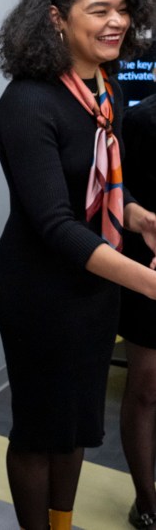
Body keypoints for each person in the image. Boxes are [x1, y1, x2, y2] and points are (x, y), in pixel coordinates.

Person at [0, 0, 156, 530]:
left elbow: (100, 177)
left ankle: (62, 523)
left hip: (92, 286)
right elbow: (55, 222)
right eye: (100, 10)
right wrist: (148, 282)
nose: (117, 22)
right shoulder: (27, 101)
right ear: (57, 19)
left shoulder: (99, 88)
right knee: (40, 430)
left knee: (77, 424)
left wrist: (135, 216)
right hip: (40, 292)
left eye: (124, 10)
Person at [121, 68, 156, 529]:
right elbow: (125, 203)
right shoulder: (143, 121)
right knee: (146, 388)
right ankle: (146, 501)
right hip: (148, 270)